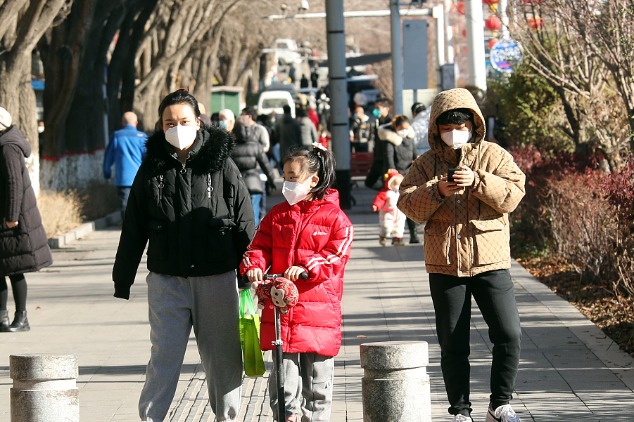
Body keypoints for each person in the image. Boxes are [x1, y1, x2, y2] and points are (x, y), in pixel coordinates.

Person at [112, 89, 255, 421]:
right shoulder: (151, 168)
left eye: (184, 121)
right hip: (167, 280)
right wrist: (124, 278)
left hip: (216, 278)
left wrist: (250, 274)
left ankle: (228, 417)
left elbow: (245, 221)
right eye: (169, 122)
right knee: (164, 357)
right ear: (161, 126)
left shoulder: (223, 164)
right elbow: (133, 226)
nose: (177, 127)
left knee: (223, 359)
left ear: (198, 121)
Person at [397, 88, 526, 422]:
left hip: (491, 258)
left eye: (461, 124)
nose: (454, 132)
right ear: (436, 129)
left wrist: (479, 180)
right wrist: (437, 190)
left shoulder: (494, 155)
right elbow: (407, 204)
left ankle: (500, 403)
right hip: (445, 263)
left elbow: (513, 195)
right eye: (446, 126)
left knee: (509, 333)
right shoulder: (425, 163)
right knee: (453, 343)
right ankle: (460, 410)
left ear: (474, 124)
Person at [240, 144, 353, 422]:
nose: (287, 183)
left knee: (317, 384)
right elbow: (258, 246)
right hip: (281, 312)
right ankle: (286, 417)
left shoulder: (336, 219)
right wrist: (254, 266)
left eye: (293, 177)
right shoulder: (277, 214)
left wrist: (306, 268)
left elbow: (336, 256)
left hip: (317, 313)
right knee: (282, 382)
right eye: (285, 176)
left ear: (313, 181)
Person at [0, 107, 52, 333]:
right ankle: (2, 318)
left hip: (13, 218)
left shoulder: (8, 146)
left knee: (14, 268)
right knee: (2, 267)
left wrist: (11, 217)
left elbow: (14, 184)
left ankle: (22, 318)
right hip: (5, 215)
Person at [378, 115, 420, 244]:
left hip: (409, 175)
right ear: (395, 128)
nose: (404, 131)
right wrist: (392, 171)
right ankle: (393, 234)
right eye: (402, 128)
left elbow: (414, 154)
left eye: (406, 128)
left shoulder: (410, 138)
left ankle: (413, 234)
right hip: (396, 179)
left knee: (411, 205)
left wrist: (417, 160)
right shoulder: (390, 139)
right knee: (398, 208)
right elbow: (389, 157)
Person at [231, 115, 276, 223]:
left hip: (236, 184)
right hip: (253, 183)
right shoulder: (256, 146)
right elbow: (266, 166)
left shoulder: (230, 146)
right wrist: (271, 181)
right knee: (254, 214)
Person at [103, 111, 148, 220]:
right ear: (136, 123)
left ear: (122, 123)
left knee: (125, 205)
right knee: (140, 205)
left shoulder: (117, 136)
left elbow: (108, 159)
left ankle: (127, 229)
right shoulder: (143, 137)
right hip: (140, 179)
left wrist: (107, 174)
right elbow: (148, 159)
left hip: (123, 179)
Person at [371, 169, 406, 246]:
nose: (397, 186)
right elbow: (379, 199)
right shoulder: (386, 193)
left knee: (399, 226)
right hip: (388, 212)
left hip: (400, 213)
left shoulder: (402, 193)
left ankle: (397, 239)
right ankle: (383, 235)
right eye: (395, 184)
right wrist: (376, 205)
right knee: (387, 226)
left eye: (399, 184)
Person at [364, 99, 392, 190]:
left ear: (386, 108)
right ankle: (384, 191)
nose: (376, 110)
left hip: (386, 157)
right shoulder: (377, 122)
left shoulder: (390, 122)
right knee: (370, 181)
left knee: (387, 180)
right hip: (378, 157)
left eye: (378, 108)